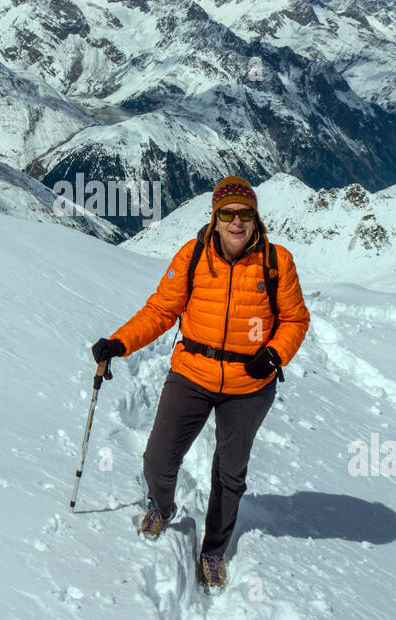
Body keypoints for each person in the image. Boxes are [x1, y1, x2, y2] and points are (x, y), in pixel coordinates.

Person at [91, 175, 310, 588]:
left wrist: (274, 354)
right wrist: (119, 342)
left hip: (249, 384)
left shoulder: (276, 262)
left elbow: (296, 320)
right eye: (227, 213)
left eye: (245, 214)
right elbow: (160, 311)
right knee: (158, 457)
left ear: (256, 218)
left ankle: (213, 550)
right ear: (214, 218)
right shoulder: (193, 256)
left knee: (230, 474)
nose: (236, 222)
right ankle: (161, 505)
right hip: (192, 373)